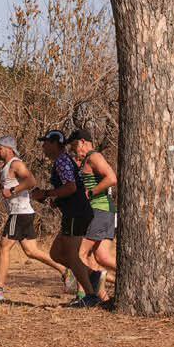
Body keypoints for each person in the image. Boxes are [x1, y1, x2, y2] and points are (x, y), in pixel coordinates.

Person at [0, 136, 61, 301]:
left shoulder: (16, 164)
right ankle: (64, 271)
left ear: (9, 149)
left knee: (3, 247)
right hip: (23, 212)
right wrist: (1, 186)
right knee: (31, 251)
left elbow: (31, 180)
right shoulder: (7, 167)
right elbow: (13, 185)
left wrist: (12, 190)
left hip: (19, 212)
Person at [70, 126, 120, 308]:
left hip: (99, 211)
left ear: (83, 142)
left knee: (79, 254)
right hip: (105, 212)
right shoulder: (86, 161)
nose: (74, 150)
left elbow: (112, 178)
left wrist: (91, 193)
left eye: (74, 145)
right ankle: (105, 298)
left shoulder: (94, 157)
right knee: (102, 257)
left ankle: (87, 296)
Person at [38, 130, 89, 301]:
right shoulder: (61, 161)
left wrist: (47, 193)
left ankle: (90, 295)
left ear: (54, 144)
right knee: (56, 254)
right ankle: (93, 276)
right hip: (72, 212)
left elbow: (71, 187)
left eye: (45, 143)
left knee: (71, 256)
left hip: (77, 212)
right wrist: (57, 199)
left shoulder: (62, 161)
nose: (43, 147)